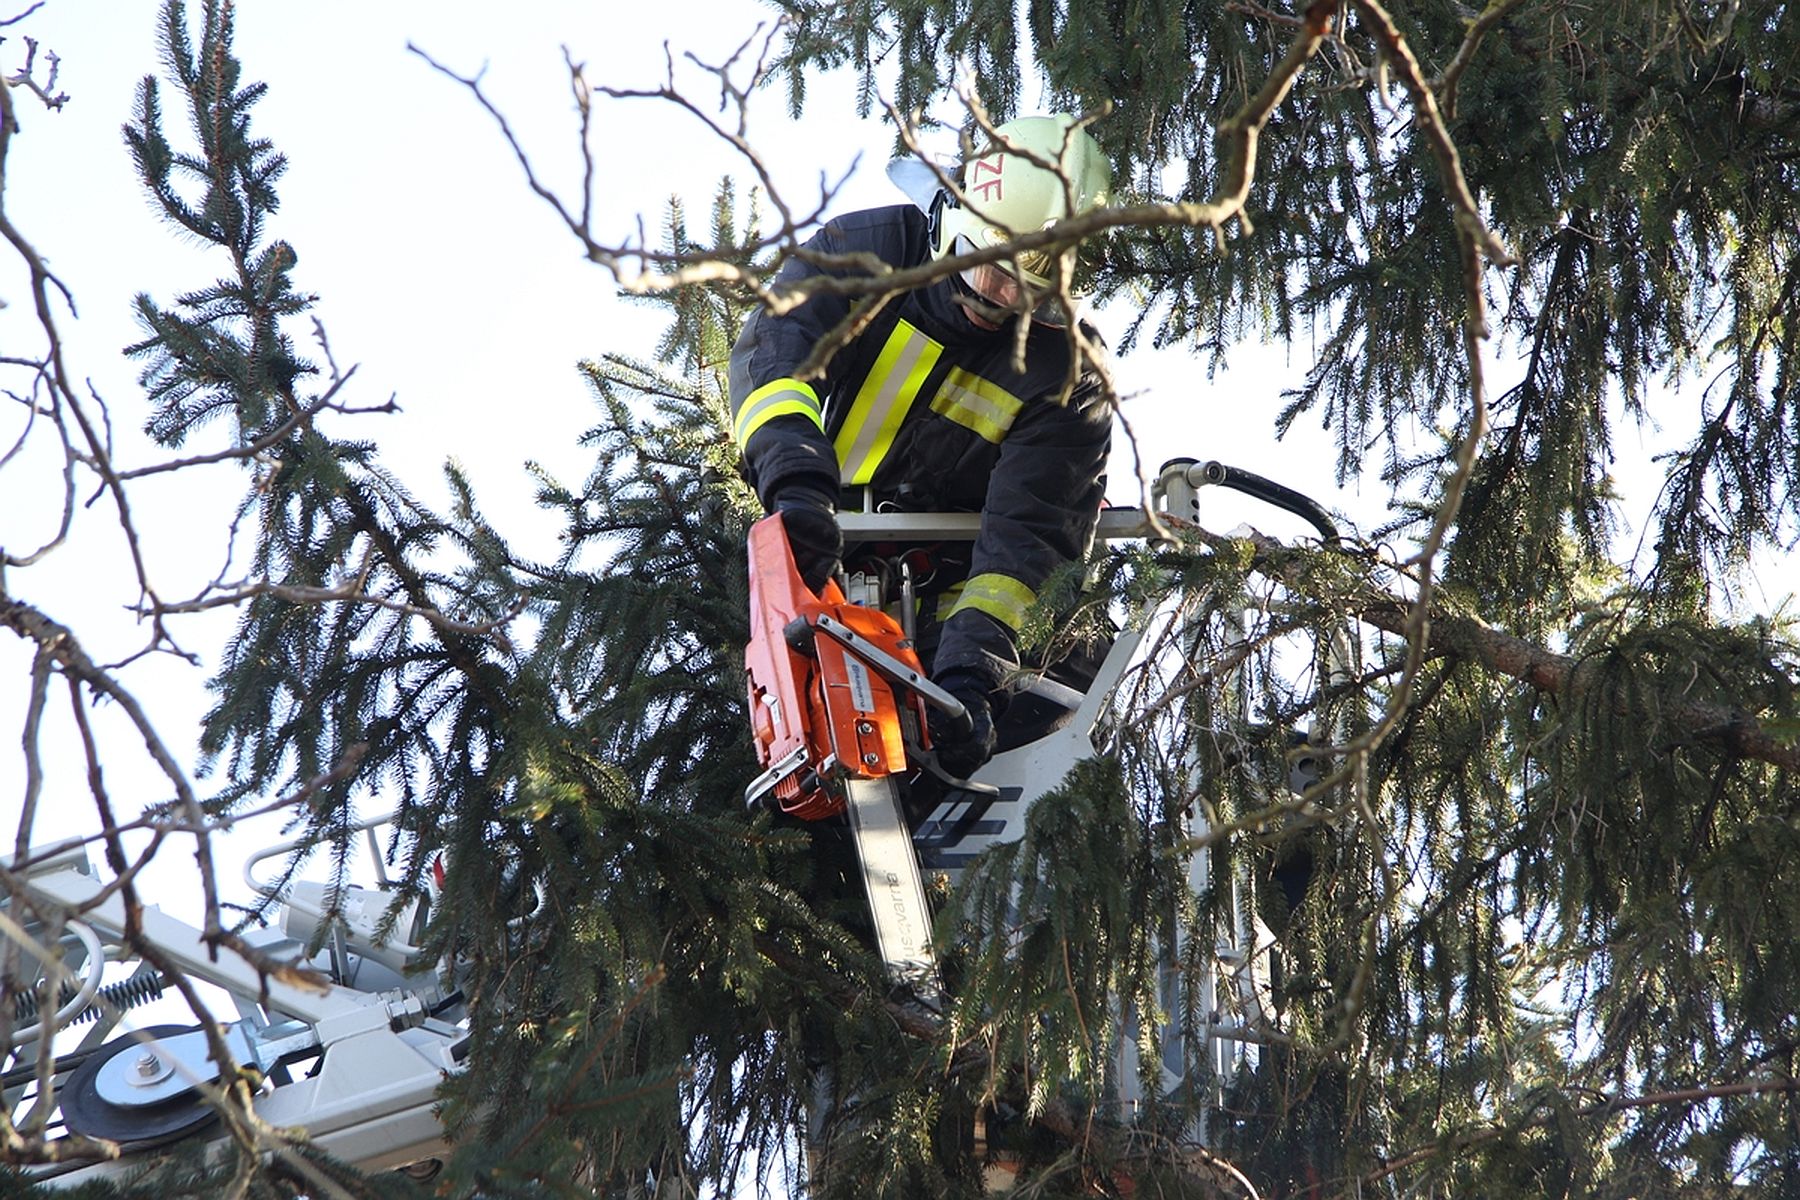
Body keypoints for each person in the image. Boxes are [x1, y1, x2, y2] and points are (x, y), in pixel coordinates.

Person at [729, 114, 1114, 780]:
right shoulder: (865, 253)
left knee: (1071, 663)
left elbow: (1029, 543)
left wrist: (973, 678)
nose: (1003, 295)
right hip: (812, 552)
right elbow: (773, 366)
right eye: (994, 265)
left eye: (1031, 281)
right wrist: (796, 487)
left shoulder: (1068, 376)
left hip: (946, 610)